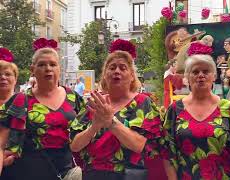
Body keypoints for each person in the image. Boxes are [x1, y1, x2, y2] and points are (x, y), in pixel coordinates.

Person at [70, 50, 164, 180]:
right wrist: (94, 127)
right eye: (112, 68)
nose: (116, 71)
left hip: (128, 175)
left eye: (122, 68)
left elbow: (140, 145)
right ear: (104, 76)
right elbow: (74, 145)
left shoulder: (142, 102)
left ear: (132, 76)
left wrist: (111, 122)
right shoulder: (94, 102)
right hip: (92, 175)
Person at [0, 46, 85, 180]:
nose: (48, 68)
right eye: (42, 65)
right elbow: (1, 143)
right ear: (32, 70)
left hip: (67, 173)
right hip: (27, 173)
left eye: (53, 64)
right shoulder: (20, 100)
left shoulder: (74, 98)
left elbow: (88, 134)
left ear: (59, 68)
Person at [162, 54, 230, 180]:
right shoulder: (175, 109)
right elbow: (167, 153)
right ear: (187, 77)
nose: (201, 75)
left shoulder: (228, 108)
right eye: (195, 72)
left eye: (206, 71)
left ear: (214, 76)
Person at [0, 48, 18, 175]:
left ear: (15, 79)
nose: (2, 77)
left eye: (7, 74)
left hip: (22, 167)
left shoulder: (27, 103)